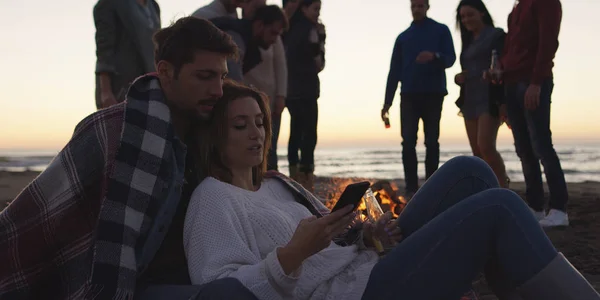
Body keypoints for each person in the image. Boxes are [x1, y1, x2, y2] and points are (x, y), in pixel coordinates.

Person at [182, 80, 599, 300]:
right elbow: (221, 290)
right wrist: (293, 254)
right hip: (357, 293)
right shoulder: (212, 200)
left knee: (470, 172)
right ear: (215, 138)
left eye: (260, 122)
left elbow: (331, 243)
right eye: (240, 126)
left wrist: (361, 235)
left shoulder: (276, 186)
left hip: (365, 264)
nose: (256, 134)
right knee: (501, 207)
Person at [0, 17, 259, 300]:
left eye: (221, 77)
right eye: (204, 76)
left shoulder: (208, 132)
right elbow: (35, 218)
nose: (217, 91)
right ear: (166, 71)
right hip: (120, 282)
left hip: (184, 273)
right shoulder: (113, 131)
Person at [495, 0, 568, 227]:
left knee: (541, 144)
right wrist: (500, 72)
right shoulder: (516, 9)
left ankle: (558, 209)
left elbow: (548, 43)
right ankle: (536, 207)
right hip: (512, 82)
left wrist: (536, 82)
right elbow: (511, 49)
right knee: (524, 148)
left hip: (532, 81)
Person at [381, 0, 456, 198]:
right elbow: (394, 72)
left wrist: (434, 55)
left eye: (421, 5)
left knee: (432, 141)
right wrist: (387, 103)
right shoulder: (403, 38)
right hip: (408, 95)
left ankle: (431, 186)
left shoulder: (441, 30)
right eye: (414, 5)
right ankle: (411, 187)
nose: (417, 9)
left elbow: (450, 58)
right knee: (407, 142)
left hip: (434, 94)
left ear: (427, 7)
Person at [454, 0, 510, 188]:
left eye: (470, 14)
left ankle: (503, 186)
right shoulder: (468, 40)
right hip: (470, 98)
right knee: (477, 153)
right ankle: (485, 190)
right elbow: (469, 68)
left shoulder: (496, 35)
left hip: (489, 96)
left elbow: (502, 65)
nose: (466, 19)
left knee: (486, 145)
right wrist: (461, 76)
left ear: (482, 13)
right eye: (462, 17)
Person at [284, 0, 326, 192]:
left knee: (296, 132)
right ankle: (305, 179)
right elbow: (318, 64)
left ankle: (295, 177)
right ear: (304, 8)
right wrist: (321, 38)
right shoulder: (308, 29)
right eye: (315, 9)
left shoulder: (288, 29)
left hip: (291, 89)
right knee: (308, 134)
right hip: (305, 88)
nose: (318, 13)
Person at [241, 0, 288, 171]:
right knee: (251, 147)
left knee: (270, 147)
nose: (275, 37)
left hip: (271, 100)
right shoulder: (242, 34)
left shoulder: (274, 38)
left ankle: (270, 184)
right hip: (249, 100)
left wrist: (281, 96)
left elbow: (281, 66)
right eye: (273, 32)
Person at [93, 0, 160, 110]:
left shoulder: (153, 6)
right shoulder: (109, 3)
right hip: (121, 88)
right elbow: (104, 50)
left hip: (149, 88)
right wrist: (105, 92)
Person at [209, 5, 288, 83]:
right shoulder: (235, 38)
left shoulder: (248, 43)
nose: (274, 40)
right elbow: (234, 81)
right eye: (273, 33)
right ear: (260, 25)